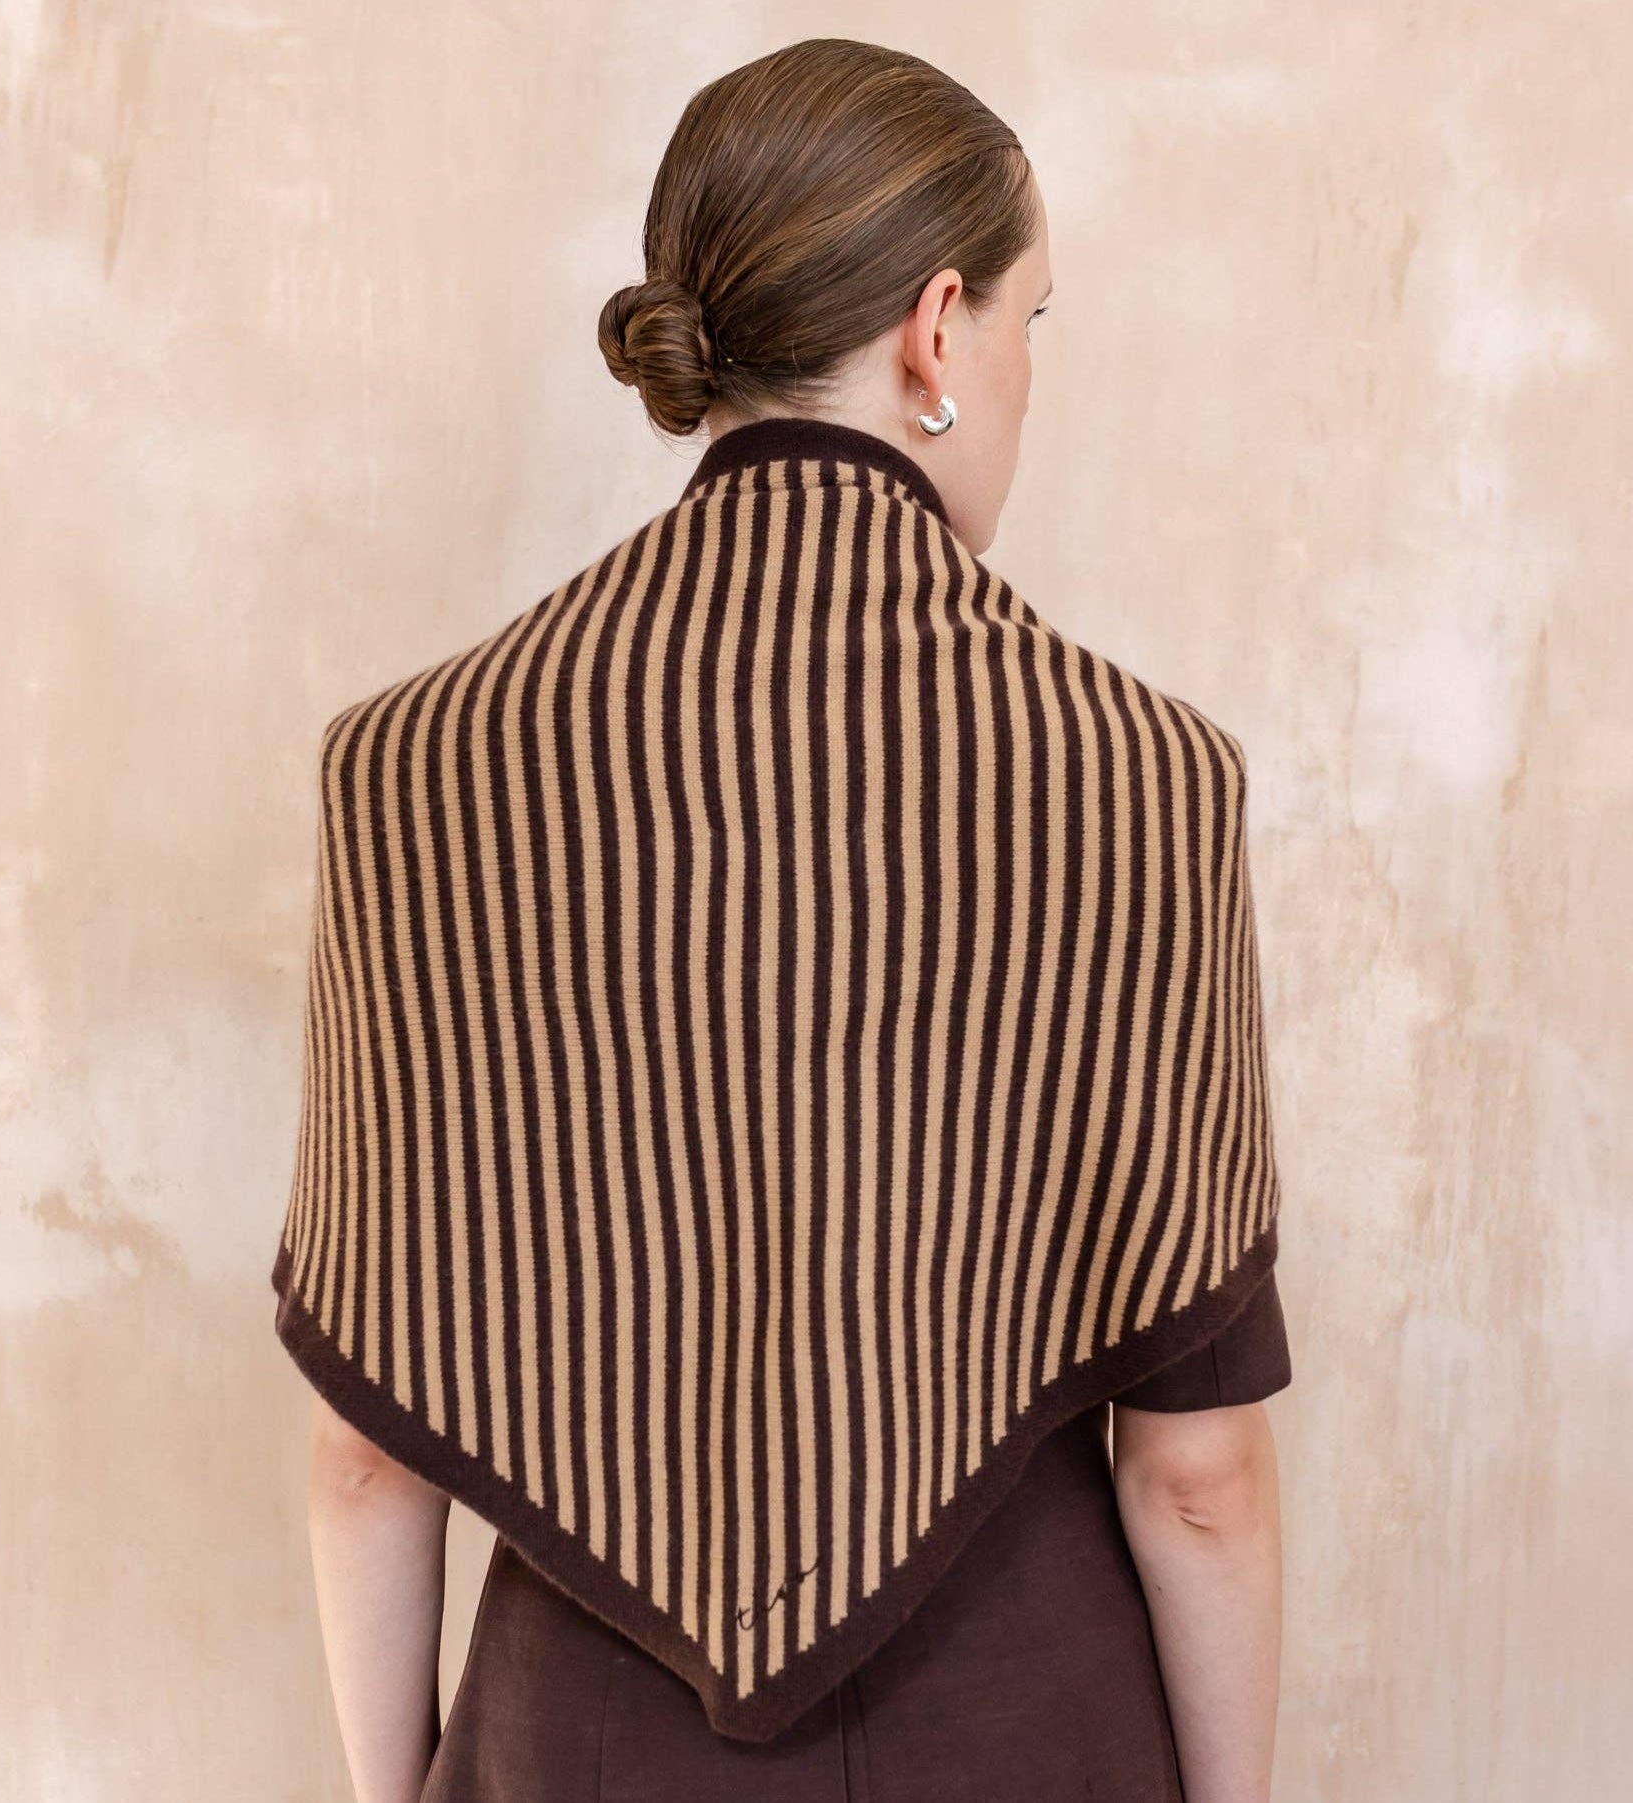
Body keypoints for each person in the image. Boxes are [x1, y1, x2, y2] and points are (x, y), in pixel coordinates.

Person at [274, 36, 1291, 1803]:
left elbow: (370, 1459)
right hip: (1023, 1730)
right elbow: (1197, 1475)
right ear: (938, 330)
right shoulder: (1140, 776)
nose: (1028, 376)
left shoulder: (416, 768)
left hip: (578, 1739)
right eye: (1033, 322)